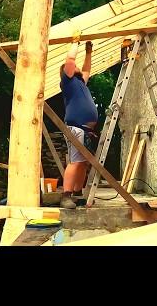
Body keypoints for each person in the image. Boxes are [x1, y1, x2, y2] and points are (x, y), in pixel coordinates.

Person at [58, 40, 99, 209]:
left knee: (82, 163)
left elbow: (87, 69)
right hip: (76, 128)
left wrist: (89, 52)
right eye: (73, 67)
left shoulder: (80, 83)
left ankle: (77, 194)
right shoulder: (67, 83)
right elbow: (70, 60)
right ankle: (66, 195)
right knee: (75, 162)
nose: (78, 68)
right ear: (66, 71)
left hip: (85, 130)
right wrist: (76, 43)